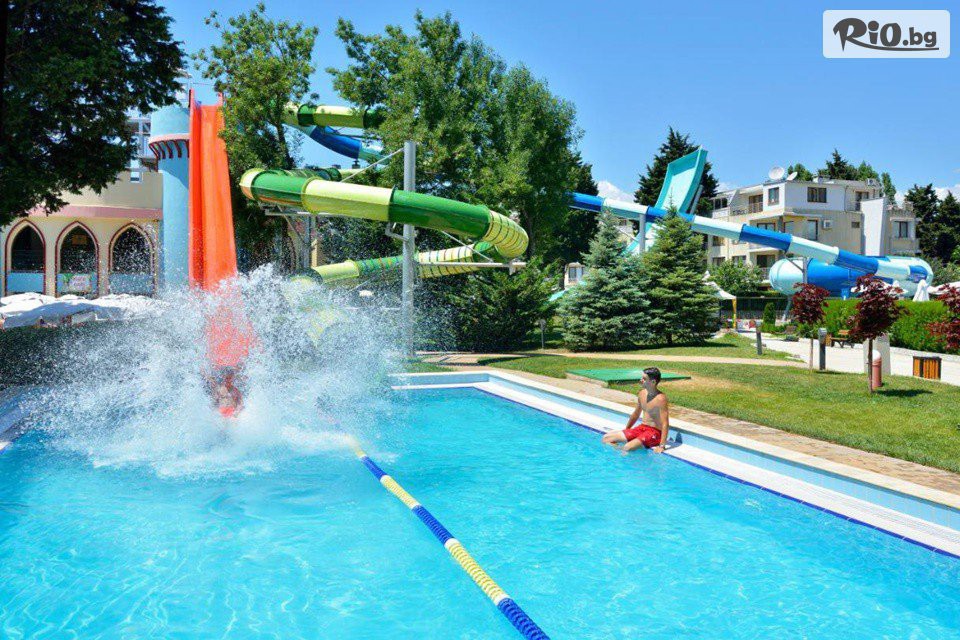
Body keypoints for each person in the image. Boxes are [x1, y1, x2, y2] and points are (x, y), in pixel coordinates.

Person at [601, 367, 669, 453]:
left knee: (627, 447)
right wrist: (627, 429)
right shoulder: (642, 393)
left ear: (653, 382)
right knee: (606, 438)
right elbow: (636, 414)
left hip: (654, 433)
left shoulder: (661, 399)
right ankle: (621, 452)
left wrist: (662, 446)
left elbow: (665, 423)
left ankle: (624, 455)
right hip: (642, 428)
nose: (641, 380)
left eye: (644, 379)